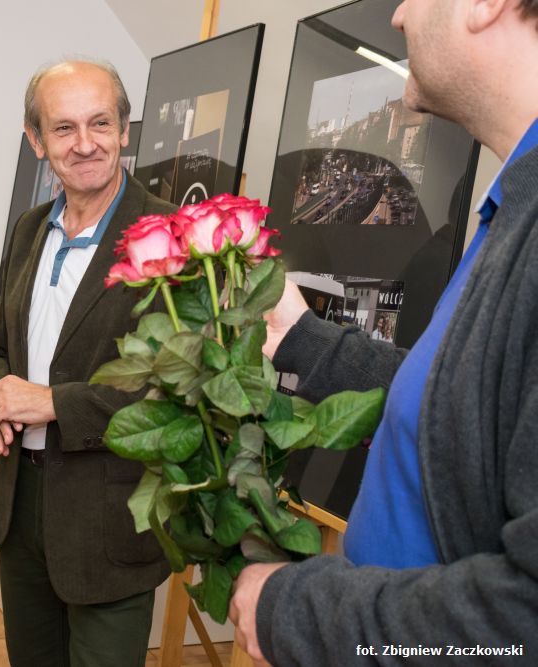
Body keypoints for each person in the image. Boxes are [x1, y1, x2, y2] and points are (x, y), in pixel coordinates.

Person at [228, 1, 538, 664]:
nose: (398, 15)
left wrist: (296, 613)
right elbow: (467, 406)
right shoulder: (516, 206)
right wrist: (302, 336)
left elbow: (524, 621)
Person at [0, 58, 174, 666]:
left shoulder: (171, 237)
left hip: (110, 516)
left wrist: (50, 404)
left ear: (125, 130)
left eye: (100, 123)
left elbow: (175, 391)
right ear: (36, 140)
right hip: (20, 506)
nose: (85, 144)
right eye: (63, 128)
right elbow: (1, 350)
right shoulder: (28, 229)